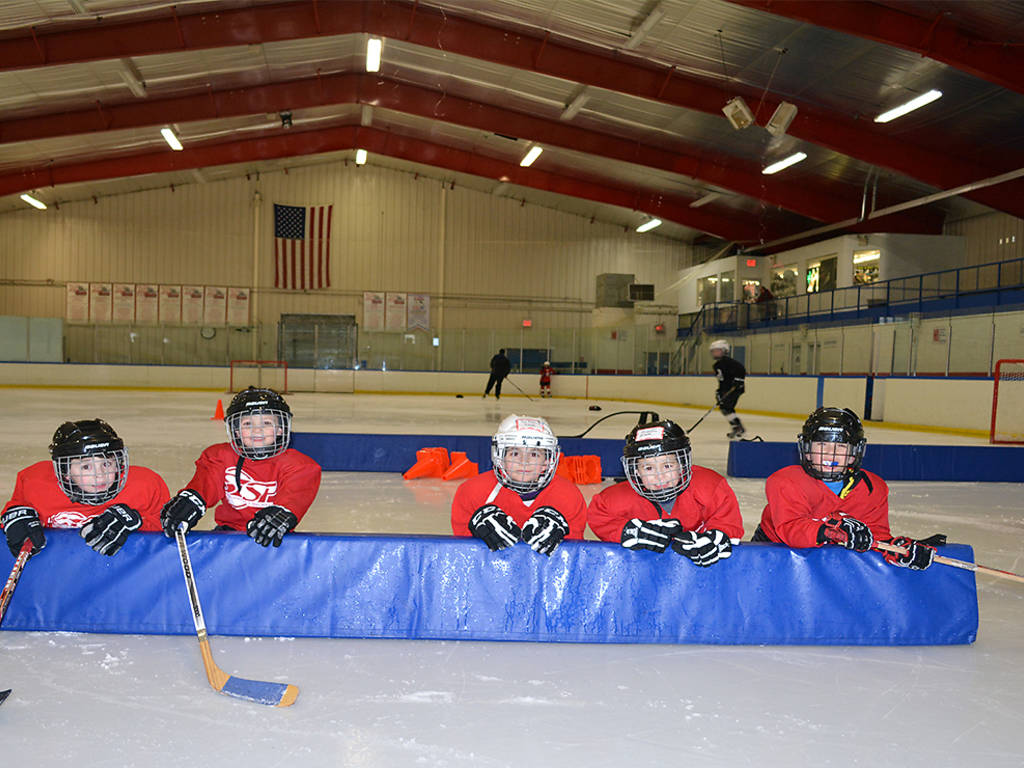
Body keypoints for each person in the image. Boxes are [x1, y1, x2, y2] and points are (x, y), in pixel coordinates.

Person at [753, 407, 935, 571]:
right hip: (773, 558)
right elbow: (791, 528)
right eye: (822, 445)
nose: (830, 454)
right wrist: (830, 530)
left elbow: (874, 536)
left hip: (832, 565)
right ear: (807, 450)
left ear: (853, 454)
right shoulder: (786, 481)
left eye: (840, 446)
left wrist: (896, 550)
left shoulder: (872, 489)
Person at [160, 387, 322, 547]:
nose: (256, 430)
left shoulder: (299, 465)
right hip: (228, 537)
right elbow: (205, 483)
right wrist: (191, 501)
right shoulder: (220, 456)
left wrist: (282, 514)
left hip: (271, 539)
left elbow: (294, 496)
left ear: (280, 429)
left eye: (266, 422)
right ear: (236, 431)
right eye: (247, 423)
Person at [1, 419, 168, 558]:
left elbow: (170, 533)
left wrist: (139, 523)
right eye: (86, 467)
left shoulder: (146, 485)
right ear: (65, 471)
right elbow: (14, 515)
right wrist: (12, 520)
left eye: (107, 463)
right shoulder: (35, 483)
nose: (100, 476)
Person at [588, 419, 743, 567]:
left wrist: (717, 536)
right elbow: (599, 518)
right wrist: (626, 531)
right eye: (648, 468)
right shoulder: (613, 500)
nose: (659, 476)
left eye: (668, 466)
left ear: (682, 464)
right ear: (635, 471)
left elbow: (727, 522)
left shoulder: (710, 487)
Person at [451, 415, 585, 556]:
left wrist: (563, 538)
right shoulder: (472, 492)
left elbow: (572, 557)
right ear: (501, 457)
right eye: (515, 453)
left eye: (534, 454)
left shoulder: (568, 495)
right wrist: (476, 535)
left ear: (547, 462)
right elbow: (464, 556)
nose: (524, 461)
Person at [710, 339, 746, 439]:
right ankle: (737, 427)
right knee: (725, 408)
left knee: (726, 407)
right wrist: (719, 392)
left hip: (735, 389)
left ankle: (738, 428)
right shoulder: (716, 365)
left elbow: (741, 369)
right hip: (726, 390)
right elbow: (722, 381)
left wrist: (739, 381)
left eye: (716, 350)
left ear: (724, 350)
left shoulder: (730, 363)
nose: (714, 352)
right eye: (713, 351)